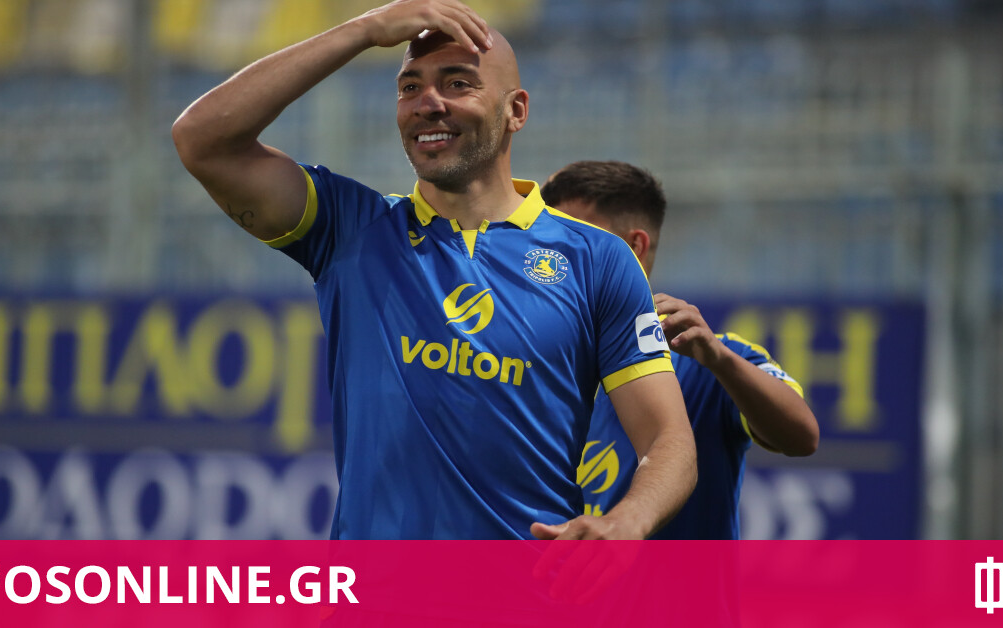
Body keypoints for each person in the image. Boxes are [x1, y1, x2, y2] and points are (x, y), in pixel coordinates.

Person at [171, 1, 696, 540]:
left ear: (516, 110)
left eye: (457, 83)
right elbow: (202, 140)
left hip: (533, 585)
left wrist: (626, 522)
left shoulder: (597, 258)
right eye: (409, 87)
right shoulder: (351, 228)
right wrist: (366, 29)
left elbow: (668, 440)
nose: (428, 104)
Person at [542, 161, 819, 539]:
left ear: (634, 247)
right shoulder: (527, 359)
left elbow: (802, 437)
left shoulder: (706, 361)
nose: (554, 257)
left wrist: (720, 361)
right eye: (548, 241)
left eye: (576, 239)